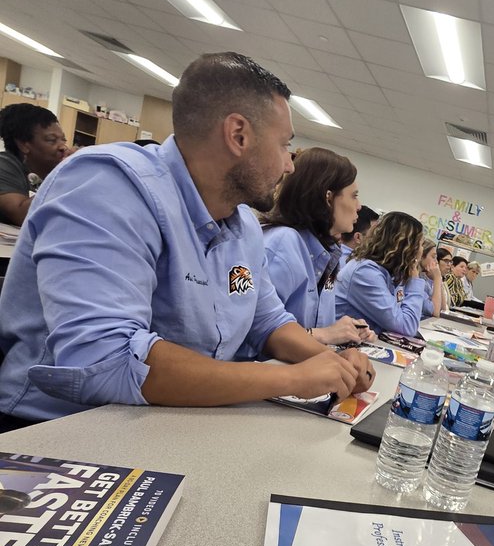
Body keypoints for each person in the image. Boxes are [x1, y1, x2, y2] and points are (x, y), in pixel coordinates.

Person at [0, 52, 373, 427]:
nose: (289, 165)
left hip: (163, 422)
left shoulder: (241, 226)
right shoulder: (110, 186)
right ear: (238, 135)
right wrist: (292, 378)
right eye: (283, 146)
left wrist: (332, 363)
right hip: (52, 431)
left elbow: (268, 321)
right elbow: (107, 361)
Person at [262, 146, 374, 345]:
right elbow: (256, 333)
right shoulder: (284, 244)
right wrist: (325, 334)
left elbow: (316, 326)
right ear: (328, 198)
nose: (358, 206)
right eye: (354, 196)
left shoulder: (330, 255)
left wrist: (346, 331)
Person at [335, 211, 426, 336]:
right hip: (340, 348)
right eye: (421, 244)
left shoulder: (387, 272)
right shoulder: (365, 272)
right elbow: (407, 326)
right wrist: (414, 279)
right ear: (406, 247)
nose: (422, 250)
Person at [0, 103, 70, 225]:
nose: (63, 146)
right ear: (23, 144)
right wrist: (67, 174)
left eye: (63, 139)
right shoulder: (4, 164)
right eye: (51, 140)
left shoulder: (46, 170)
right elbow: (21, 215)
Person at [419, 239, 449, 317]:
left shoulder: (425, 278)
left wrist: (439, 281)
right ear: (421, 256)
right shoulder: (416, 279)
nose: (436, 262)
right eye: (433, 257)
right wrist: (437, 278)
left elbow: (443, 309)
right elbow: (435, 312)